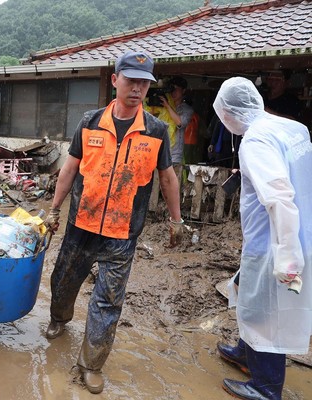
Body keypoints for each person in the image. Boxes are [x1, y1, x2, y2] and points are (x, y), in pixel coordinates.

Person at [43, 51, 183, 395]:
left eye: (144, 83)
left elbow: (167, 178)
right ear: (115, 80)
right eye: (131, 80)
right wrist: (54, 209)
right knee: (63, 281)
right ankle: (60, 318)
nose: (137, 89)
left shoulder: (156, 130)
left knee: (108, 300)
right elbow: (70, 169)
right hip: (81, 223)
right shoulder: (90, 122)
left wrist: (176, 220)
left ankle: (91, 363)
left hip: (123, 232)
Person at [213, 77, 312, 400]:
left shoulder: (254, 141)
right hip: (296, 229)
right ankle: (245, 350)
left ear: (228, 113)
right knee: (244, 292)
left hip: (274, 242)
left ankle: (266, 386)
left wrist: (286, 255)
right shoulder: (290, 128)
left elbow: (279, 197)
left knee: (267, 311)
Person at [159, 76, 194, 181]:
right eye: (172, 89)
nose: (173, 92)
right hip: (160, 150)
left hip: (174, 154)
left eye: (176, 89)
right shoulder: (162, 106)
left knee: (172, 182)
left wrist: (167, 106)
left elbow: (180, 122)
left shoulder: (186, 109)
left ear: (183, 91)